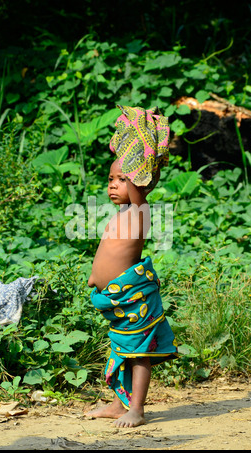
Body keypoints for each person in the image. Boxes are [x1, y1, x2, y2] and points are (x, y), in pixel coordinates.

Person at [87, 105, 178, 428]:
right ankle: (118, 403)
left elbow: (138, 183)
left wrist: (139, 145)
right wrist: (95, 277)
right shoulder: (122, 214)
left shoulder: (140, 213)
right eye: (110, 179)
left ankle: (136, 409)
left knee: (139, 352)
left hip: (135, 301)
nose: (113, 185)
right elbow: (109, 253)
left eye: (122, 179)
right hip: (117, 300)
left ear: (141, 182)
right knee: (122, 348)